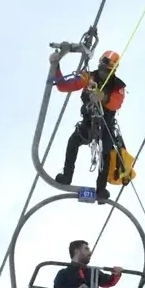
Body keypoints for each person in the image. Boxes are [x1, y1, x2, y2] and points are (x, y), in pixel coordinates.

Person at [48, 49, 131, 200]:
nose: (102, 72)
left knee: (105, 155)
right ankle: (67, 176)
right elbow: (64, 86)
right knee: (73, 142)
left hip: (106, 126)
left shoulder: (118, 87)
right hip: (88, 123)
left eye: (106, 70)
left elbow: (115, 104)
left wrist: (103, 98)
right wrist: (56, 66)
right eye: (101, 67)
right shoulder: (88, 77)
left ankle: (101, 189)